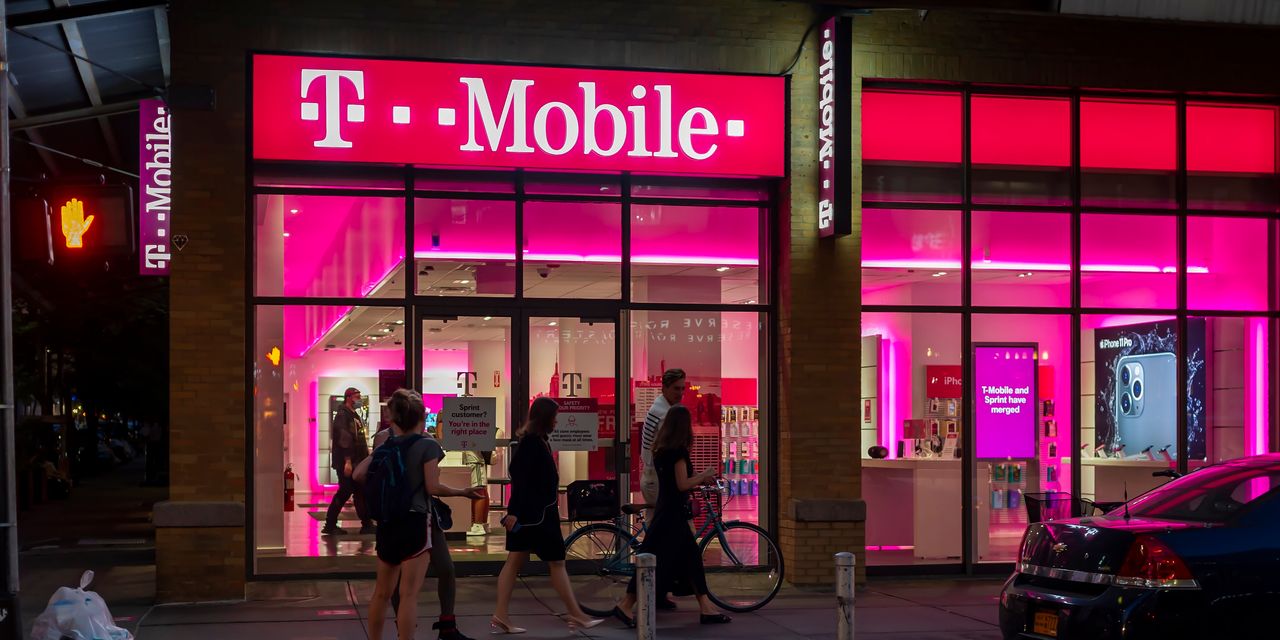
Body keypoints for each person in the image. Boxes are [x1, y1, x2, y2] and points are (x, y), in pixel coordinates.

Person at [364, 389, 486, 640]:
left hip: (397, 518)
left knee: (394, 586)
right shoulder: (420, 442)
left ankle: (428, 627)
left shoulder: (388, 441)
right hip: (417, 517)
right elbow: (432, 484)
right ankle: (409, 629)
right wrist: (462, 491)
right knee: (408, 589)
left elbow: (361, 474)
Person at [491, 397, 603, 634]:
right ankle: (575, 614)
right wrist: (514, 512)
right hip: (537, 516)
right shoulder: (532, 444)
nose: (556, 422)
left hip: (533, 514)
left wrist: (515, 512)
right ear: (544, 419)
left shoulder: (536, 442)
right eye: (554, 418)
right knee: (555, 562)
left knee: (516, 562)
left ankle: (501, 614)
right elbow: (521, 479)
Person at [612, 405, 731, 627]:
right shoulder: (678, 452)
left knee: (689, 559)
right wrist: (704, 474)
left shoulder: (661, 451)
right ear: (684, 427)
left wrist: (698, 477)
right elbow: (682, 484)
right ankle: (626, 605)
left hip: (665, 512)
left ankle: (706, 607)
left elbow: (676, 480)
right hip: (673, 517)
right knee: (662, 559)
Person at [640, 368, 687, 610]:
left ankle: (656, 589)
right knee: (664, 536)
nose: (681, 393)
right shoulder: (664, 413)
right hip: (657, 479)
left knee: (658, 535)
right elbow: (672, 449)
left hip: (653, 476)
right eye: (676, 388)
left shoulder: (661, 407)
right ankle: (649, 589)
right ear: (665, 388)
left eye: (683, 388)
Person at [324, 387, 374, 535]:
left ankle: (367, 524)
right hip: (348, 462)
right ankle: (330, 524)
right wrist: (347, 461)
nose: (359, 399)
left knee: (359, 491)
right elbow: (344, 438)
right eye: (357, 396)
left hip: (356, 461)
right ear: (348, 397)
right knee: (345, 491)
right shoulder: (343, 415)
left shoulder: (353, 415)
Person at [462, 449, 491, 536]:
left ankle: (478, 525)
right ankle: (482, 523)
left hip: (475, 460)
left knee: (479, 489)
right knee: (481, 489)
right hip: (473, 460)